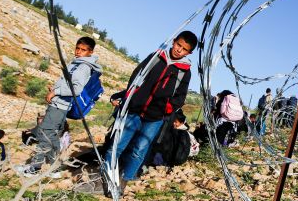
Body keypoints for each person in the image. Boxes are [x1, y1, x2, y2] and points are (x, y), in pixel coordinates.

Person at [102, 31, 197, 192]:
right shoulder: (156, 57)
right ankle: (105, 176)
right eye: (178, 45)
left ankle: (123, 182)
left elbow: (180, 98)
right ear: (174, 41)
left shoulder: (184, 72)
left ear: (189, 53)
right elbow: (136, 76)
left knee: (139, 150)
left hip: (155, 117)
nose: (179, 50)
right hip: (134, 110)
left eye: (184, 49)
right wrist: (132, 98)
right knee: (117, 145)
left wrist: (165, 109)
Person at [15, 36, 102, 178]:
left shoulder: (83, 67)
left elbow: (76, 90)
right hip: (58, 103)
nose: (79, 51)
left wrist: (56, 92)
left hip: (60, 106)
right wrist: (55, 89)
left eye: (83, 50)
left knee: (45, 134)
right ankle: (54, 168)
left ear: (90, 52)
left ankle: (34, 168)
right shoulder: (76, 63)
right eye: (77, 48)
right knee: (52, 135)